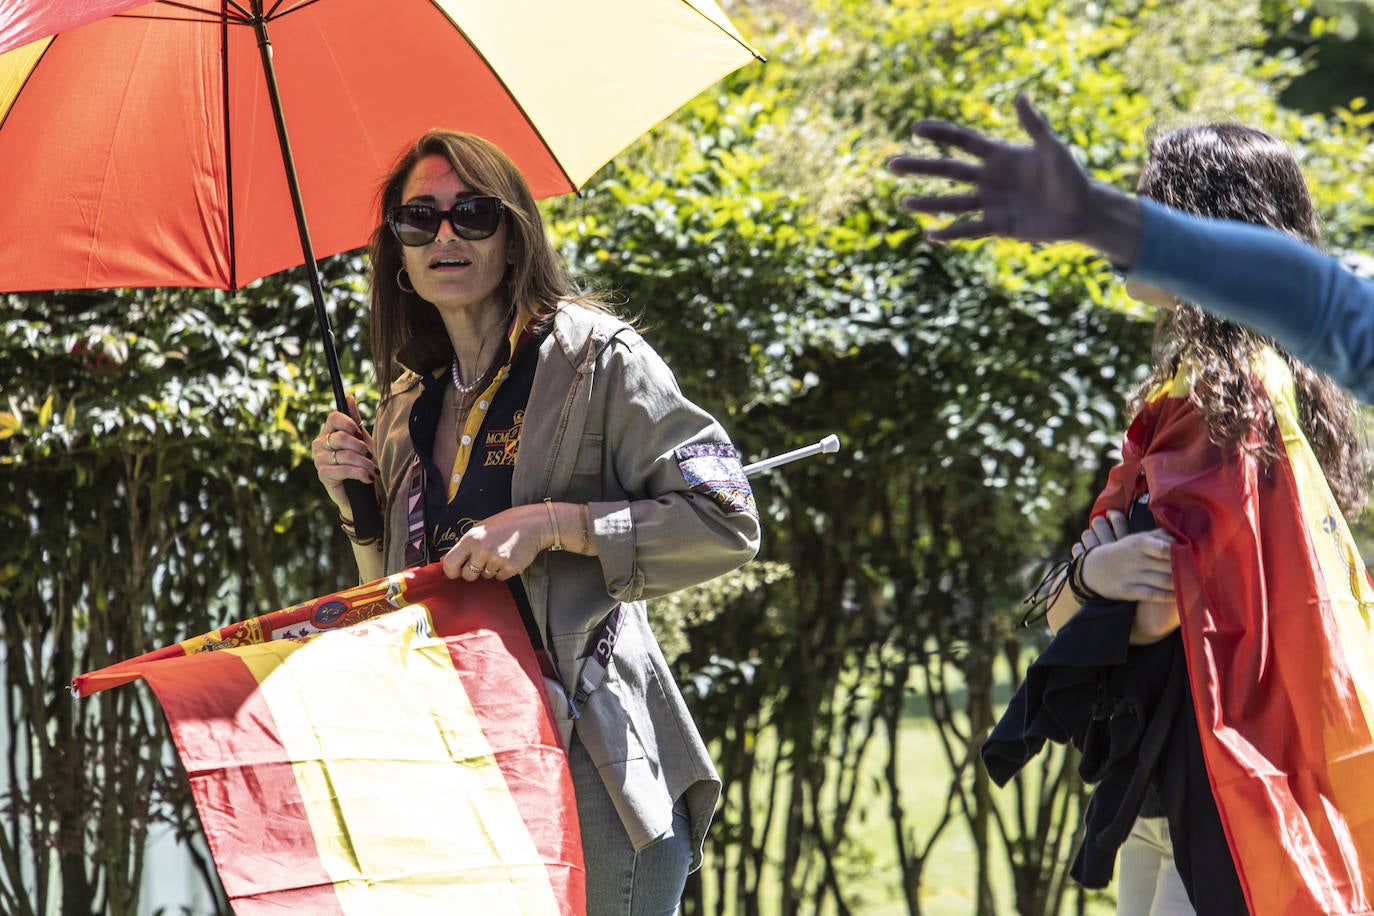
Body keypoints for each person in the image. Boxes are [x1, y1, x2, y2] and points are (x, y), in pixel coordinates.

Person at [310, 129, 761, 914]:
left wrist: (552, 523)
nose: (444, 235)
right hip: (463, 777)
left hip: (593, 773)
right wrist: (359, 517)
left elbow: (727, 518)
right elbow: (394, 605)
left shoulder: (603, 359)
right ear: (399, 253)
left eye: (472, 213)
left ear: (514, 234)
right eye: (419, 219)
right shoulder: (403, 405)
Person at [980, 124, 1374, 915]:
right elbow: (1081, 600)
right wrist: (1091, 574)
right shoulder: (1249, 382)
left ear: (1204, 218)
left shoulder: (1224, 399)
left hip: (1227, 783)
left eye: (1151, 194)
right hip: (1202, 768)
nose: (1138, 214)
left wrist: (1091, 577)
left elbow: (1157, 609)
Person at [889, 94, 1374, 403]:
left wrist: (1087, 568)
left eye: (1152, 203)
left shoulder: (1236, 397)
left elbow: (1318, 301)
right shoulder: (1260, 380)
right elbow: (1324, 304)